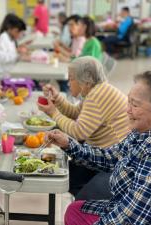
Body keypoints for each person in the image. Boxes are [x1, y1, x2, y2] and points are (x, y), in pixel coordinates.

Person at [45, 71, 151, 225]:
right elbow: (110, 157)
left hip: (143, 220)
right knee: (74, 210)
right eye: (129, 102)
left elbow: (129, 217)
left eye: (135, 105)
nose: (127, 110)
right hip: (121, 205)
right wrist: (68, 144)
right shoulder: (141, 133)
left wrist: (53, 113)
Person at [38, 56, 129, 200]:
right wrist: (58, 99)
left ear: (85, 80)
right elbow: (75, 113)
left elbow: (78, 132)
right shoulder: (97, 90)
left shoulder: (97, 96)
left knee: (70, 177)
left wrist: (53, 113)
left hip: (111, 160)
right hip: (105, 151)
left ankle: (86, 205)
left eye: (71, 79)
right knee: (69, 169)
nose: (68, 83)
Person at [0, 14, 28, 78]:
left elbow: (13, 56)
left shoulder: (11, 39)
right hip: (4, 75)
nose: (19, 35)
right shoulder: (3, 37)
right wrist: (17, 51)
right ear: (10, 28)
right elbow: (1, 58)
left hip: (11, 71)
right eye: (17, 32)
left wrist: (20, 54)